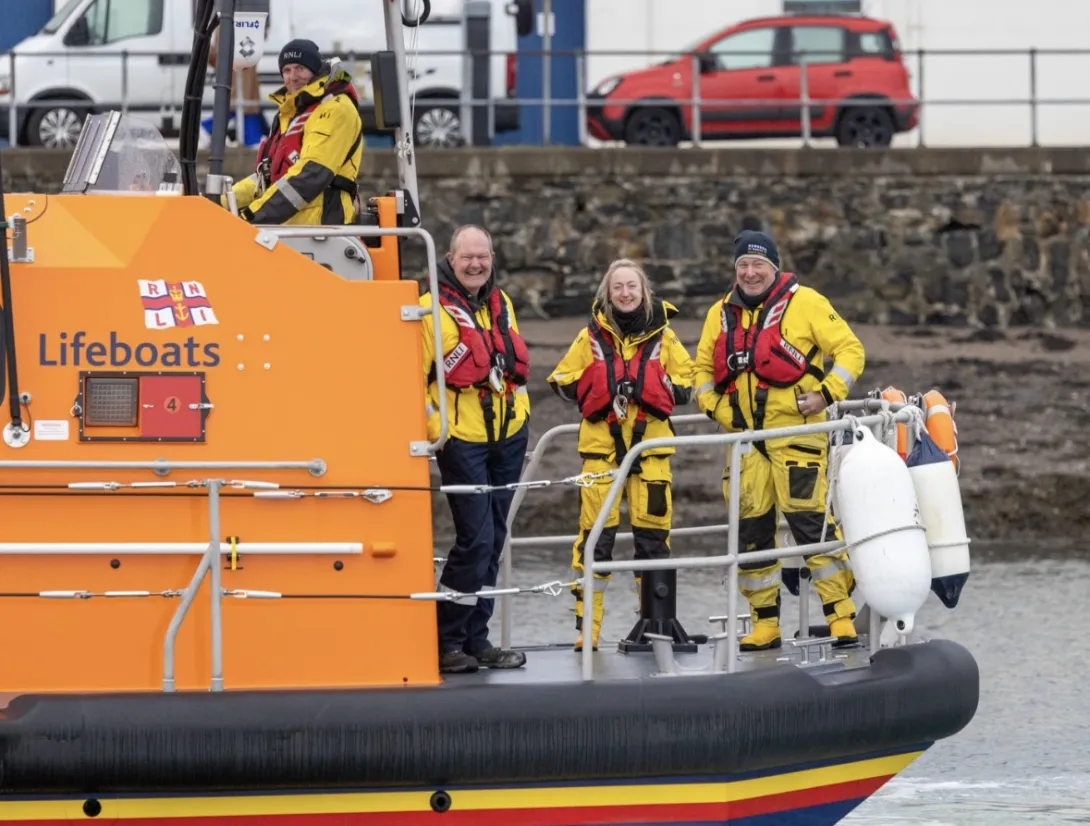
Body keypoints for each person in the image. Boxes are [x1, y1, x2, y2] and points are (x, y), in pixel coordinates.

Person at [693, 230, 865, 651]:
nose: (750, 273)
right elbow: (700, 371)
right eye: (742, 266)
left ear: (774, 266)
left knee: (812, 527)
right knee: (752, 534)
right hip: (747, 442)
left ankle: (840, 616)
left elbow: (850, 352)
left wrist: (825, 394)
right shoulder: (719, 314)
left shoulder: (807, 303)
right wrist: (716, 408)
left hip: (797, 437)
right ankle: (764, 622)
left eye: (758, 265)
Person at [547, 259, 694, 652]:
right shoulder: (589, 336)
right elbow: (560, 380)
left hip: (650, 457)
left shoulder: (665, 336)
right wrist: (596, 387)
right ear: (607, 293)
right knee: (595, 543)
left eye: (632, 286)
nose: (626, 293)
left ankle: (655, 626)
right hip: (601, 457)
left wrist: (653, 387)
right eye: (618, 288)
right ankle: (588, 631)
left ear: (644, 291)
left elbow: (687, 382)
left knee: (653, 542)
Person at [420, 225, 532, 674]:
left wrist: (522, 416)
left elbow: (512, 369)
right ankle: (447, 639)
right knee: (476, 539)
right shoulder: (429, 309)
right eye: (467, 257)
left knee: (496, 539)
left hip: (507, 436)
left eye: (482, 257)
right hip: (461, 439)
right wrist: (438, 429)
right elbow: (415, 378)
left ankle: (476, 638)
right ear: (450, 258)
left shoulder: (500, 303)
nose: (475, 265)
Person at [226, 39, 363, 226]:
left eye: (300, 68)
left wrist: (250, 218)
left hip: (323, 231)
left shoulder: (335, 109)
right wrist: (220, 201)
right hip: (293, 230)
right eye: (287, 70)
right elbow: (267, 179)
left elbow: (311, 175)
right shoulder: (291, 112)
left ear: (315, 70)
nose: (293, 77)